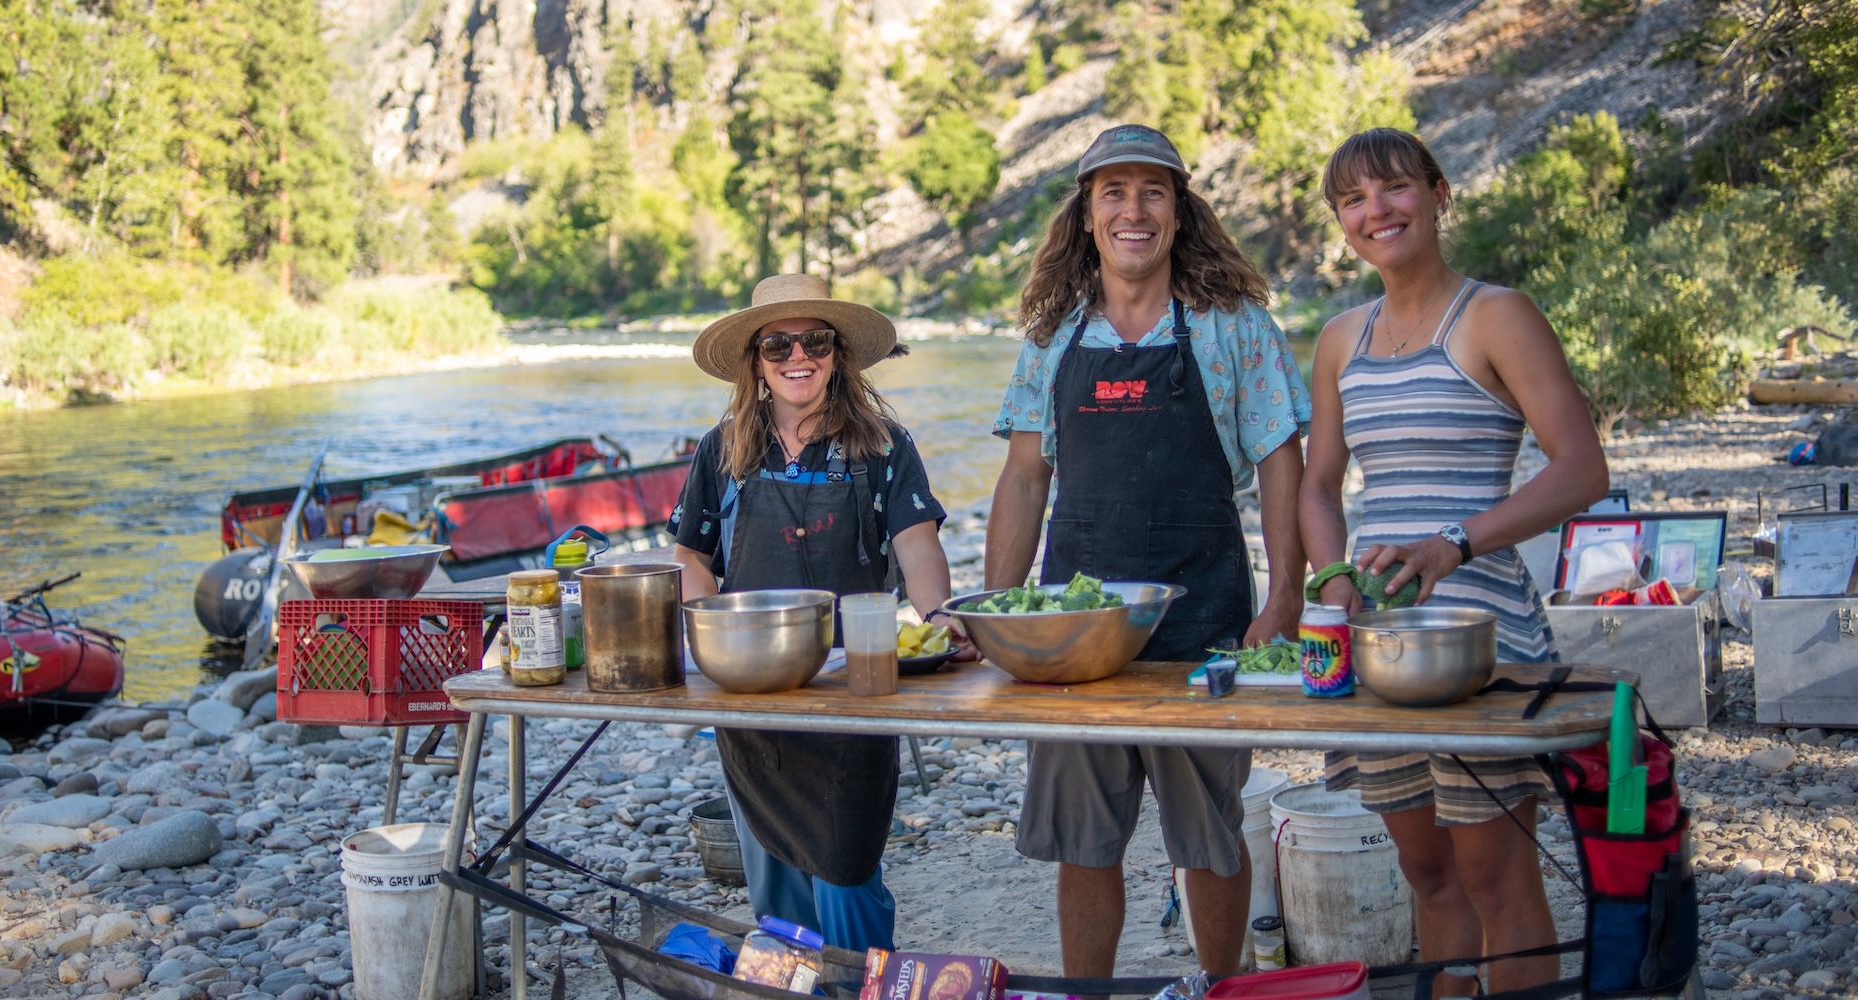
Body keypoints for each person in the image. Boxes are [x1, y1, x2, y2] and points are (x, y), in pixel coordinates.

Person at [984, 124, 1311, 979]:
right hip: (1073, 640)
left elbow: (1283, 464)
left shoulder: (1232, 326)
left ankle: (1221, 987)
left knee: (1209, 834)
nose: (1135, 210)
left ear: (1180, 209)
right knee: (1085, 844)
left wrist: (1281, 600)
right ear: (1086, 215)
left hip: (1204, 622)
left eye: (1153, 191)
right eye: (1114, 193)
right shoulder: (1052, 337)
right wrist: (991, 617)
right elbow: (1024, 482)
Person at [1297, 128, 1610, 995]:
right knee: (1428, 875)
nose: (1375, 212)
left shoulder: (1495, 315)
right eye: (1353, 201)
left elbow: (1583, 468)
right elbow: (1318, 487)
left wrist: (1456, 542)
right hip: (1380, 646)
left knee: (1497, 879)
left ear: (1439, 194)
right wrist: (1331, 579)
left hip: (1486, 644)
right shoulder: (1338, 340)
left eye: (1394, 189)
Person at [668, 273, 964, 954]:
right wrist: (710, 629)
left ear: (839, 354)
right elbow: (690, 556)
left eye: (816, 341)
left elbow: (918, 546)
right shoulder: (724, 450)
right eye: (778, 345)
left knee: (849, 861)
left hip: (854, 688)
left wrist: (942, 615)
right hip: (751, 690)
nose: (798, 357)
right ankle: (793, 977)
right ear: (755, 362)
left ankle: (860, 978)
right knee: (772, 870)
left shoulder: (882, 446)